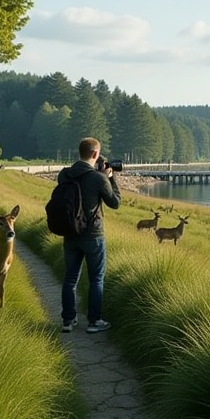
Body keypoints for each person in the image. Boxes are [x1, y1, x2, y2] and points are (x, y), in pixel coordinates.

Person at [59, 137, 122, 334]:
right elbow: (115, 203)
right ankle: (94, 321)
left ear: (81, 152)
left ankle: (68, 321)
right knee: (96, 279)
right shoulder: (98, 178)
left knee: (70, 279)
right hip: (93, 235)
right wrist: (109, 176)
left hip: (70, 233)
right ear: (95, 154)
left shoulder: (64, 174)